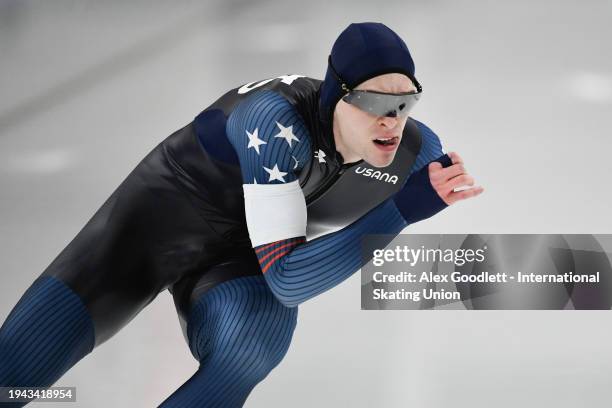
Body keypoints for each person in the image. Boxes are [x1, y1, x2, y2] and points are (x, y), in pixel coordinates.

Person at [0, 22, 483, 407]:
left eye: (405, 102)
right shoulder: (273, 121)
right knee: (12, 379)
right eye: (375, 102)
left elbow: (440, 269)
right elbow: (290, 281)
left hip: (239, 258)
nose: (392, 120)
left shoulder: (417, 155)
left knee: (252, 345)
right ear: (336, 97)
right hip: (153, 228)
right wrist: (400, 211)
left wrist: (554, 276)